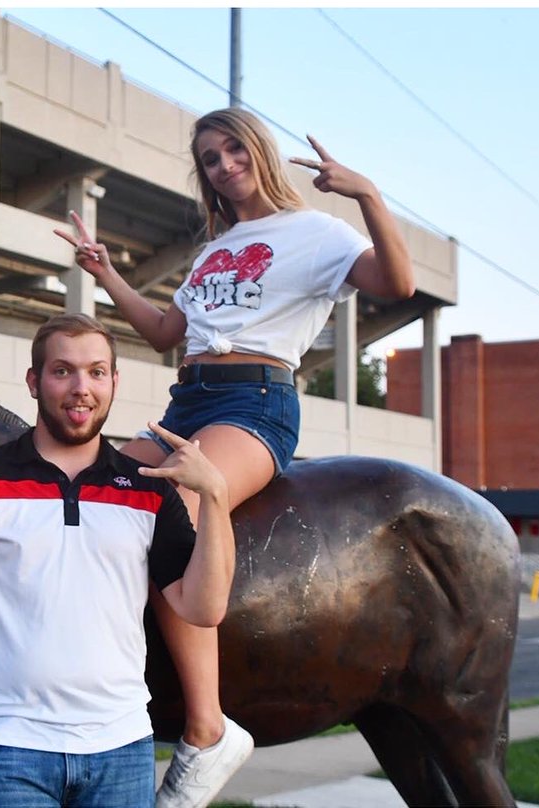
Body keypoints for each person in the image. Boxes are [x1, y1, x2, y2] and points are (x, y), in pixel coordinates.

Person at [54, 107, 416, 808]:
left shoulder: (317, 233)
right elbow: (164, 331)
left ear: (259, 151)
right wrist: (104, 272)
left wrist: (367, 195)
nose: (224, 165)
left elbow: (396, 284)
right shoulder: (216, 250)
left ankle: (208, 729)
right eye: (211, 159)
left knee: (169, 505)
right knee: (88, 497)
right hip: (186, 400)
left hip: (255, 404)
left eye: (232, 149)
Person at [0, 313, 238, 808]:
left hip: (121, 746)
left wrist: (215, 496)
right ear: (34, 381)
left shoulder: (148, 488)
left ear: (114, 382)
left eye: (96, 372)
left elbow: (204, 608)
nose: (81, 388)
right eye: (62, 371)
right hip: (7, 747)